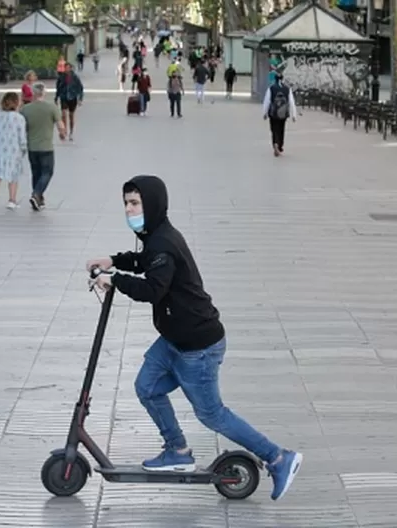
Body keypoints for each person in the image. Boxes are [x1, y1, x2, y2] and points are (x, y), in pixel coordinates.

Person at [86, 175, 303, 501]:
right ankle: (177, 451)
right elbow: (144, 261)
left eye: (135, 203)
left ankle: (278, 457)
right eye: (126, 203)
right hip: (176, 338)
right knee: (146, 387)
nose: (129, 209)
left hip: (198, 346)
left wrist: (114, 279)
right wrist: (114, 261)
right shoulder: (156, 236)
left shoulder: (163, 243)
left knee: (212, 414)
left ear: (153, 204)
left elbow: (153, 288)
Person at [19, 82, 67, 211]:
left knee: (36, 172)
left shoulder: (25, 109)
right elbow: (60, 124)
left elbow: (20, 127)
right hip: (46, 146)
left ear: (33, 93)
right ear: (44, 93)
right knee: (47, 172)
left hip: (32, 147)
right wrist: (62, 134)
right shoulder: (51, 107)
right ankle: (36, 194)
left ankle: (38, 198)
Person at [0, 92, 28, 212]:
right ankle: (12, 201)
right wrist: (23, 150)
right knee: (13, 177)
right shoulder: (20, 118)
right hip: (14, 151)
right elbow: (22, 137)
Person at [262, 74, 297, 157]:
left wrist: (264, 113)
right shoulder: (287, 89)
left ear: (275, 79)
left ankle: (275, 143)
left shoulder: (271, 88)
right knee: (281, 129)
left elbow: (267, 101)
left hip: (273, 113)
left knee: (274, 129)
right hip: (283, 114)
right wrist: (294, 115)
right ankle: (280, 145)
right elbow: (292, 102)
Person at [54, 63, 84, 140]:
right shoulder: (61, 77)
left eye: (68, 68)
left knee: (71, 116)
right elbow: (58, 88)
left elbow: (80, 88)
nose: (66, 69)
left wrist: (80, 99)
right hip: (64, 97)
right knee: (63, 114)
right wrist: (56, 98)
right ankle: (64, 131)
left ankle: (71, 132)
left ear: (70, 68)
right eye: (65, 68)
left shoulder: (75, 77)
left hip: (72, 97)